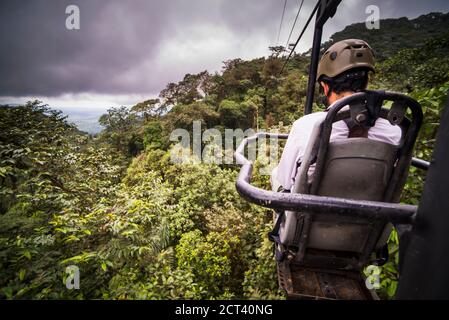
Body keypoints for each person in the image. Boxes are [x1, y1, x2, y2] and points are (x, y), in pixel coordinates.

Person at [271, 39, 401, 192]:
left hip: (310, 214)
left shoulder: (308, 125)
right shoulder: (395, 129)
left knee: (275, 175)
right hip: (371, 214)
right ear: (365, 83)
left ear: (325, 87)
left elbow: (286, 181)